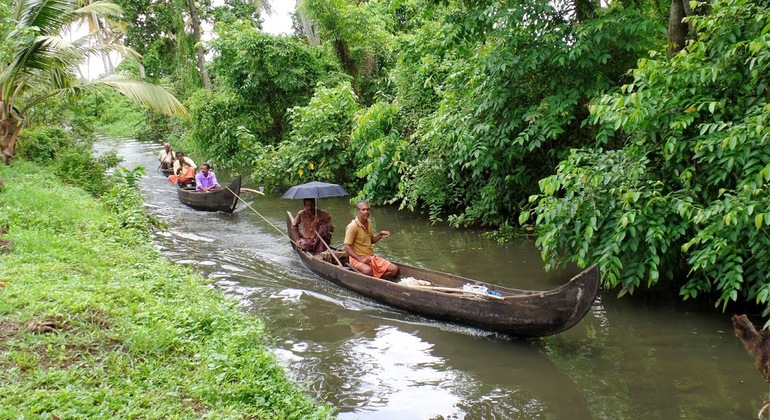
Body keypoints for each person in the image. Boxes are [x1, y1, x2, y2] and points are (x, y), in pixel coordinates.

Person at [343, 200, 399, 278]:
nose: (366, 212)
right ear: (357, 211)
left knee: (394, 269)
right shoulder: (352, 226)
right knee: (368, 270)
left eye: (368, 209)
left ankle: (375, 278)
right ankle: (375, 278)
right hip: (356, 259)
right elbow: (346, 247)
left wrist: (380, 234)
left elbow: (371, 240)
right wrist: (360, 259)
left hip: (370, 257)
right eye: (363, 209)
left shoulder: (369, 223)